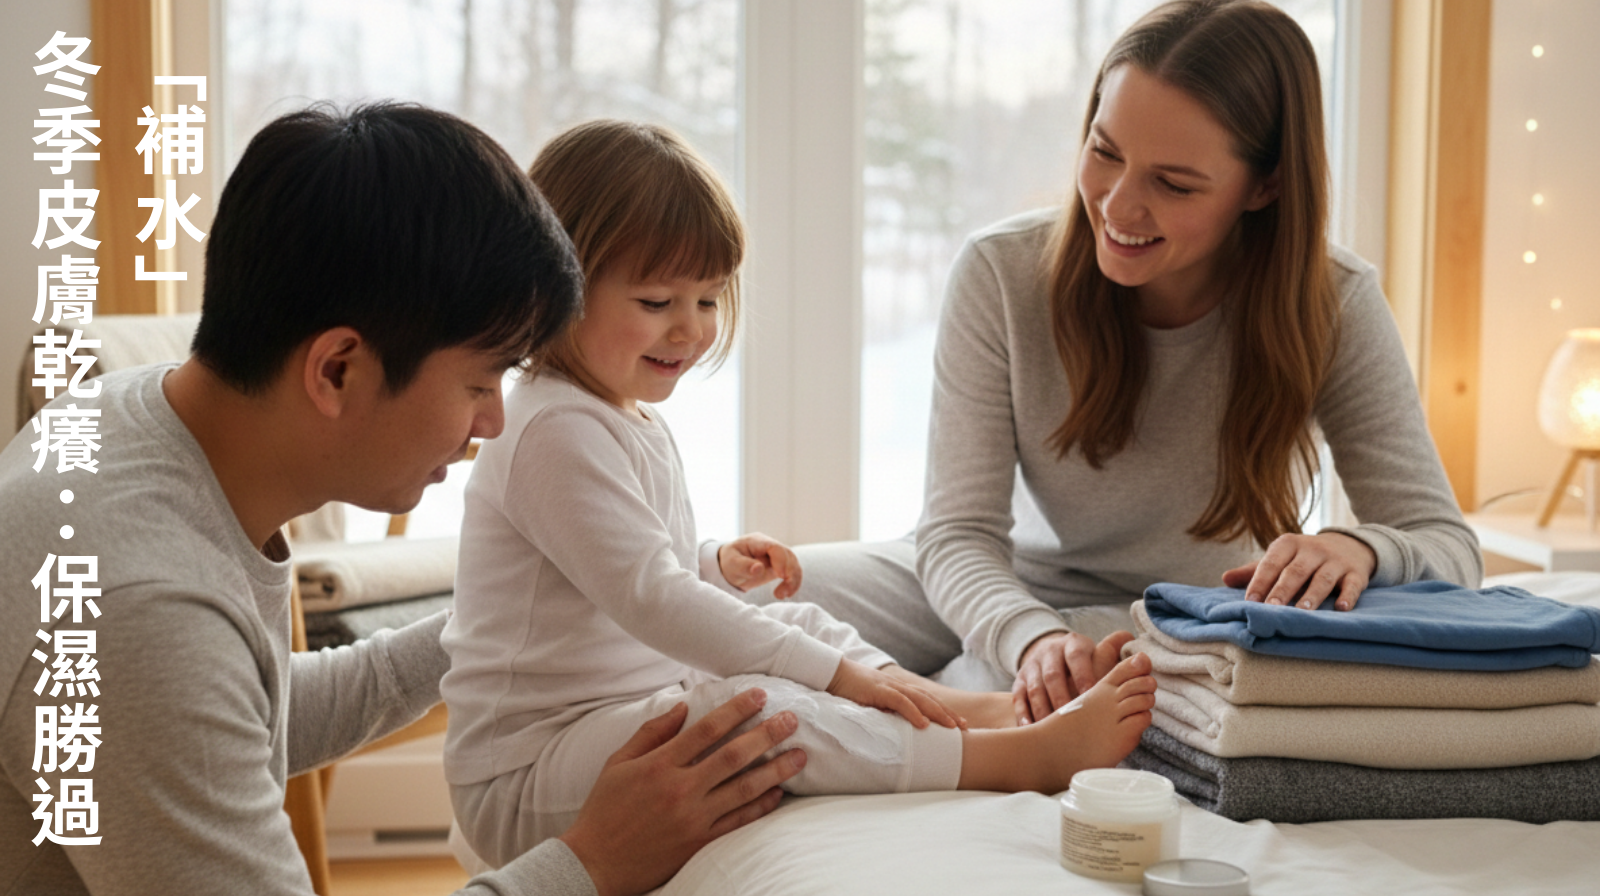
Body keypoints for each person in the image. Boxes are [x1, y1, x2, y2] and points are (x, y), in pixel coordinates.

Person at [0, 103, 811, 896]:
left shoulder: (124, 415)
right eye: (479, 381)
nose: (493, 421)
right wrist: (589, 862)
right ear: (337, 370)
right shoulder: (138, 612)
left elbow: (248, 709)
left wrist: (510, 622)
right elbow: (173, 677)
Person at [739, 0, 1481, 725]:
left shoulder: (1335, 303)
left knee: (1023, 684)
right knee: (737, 609)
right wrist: (1029, 633)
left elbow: (1447, 545)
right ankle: (961, 689)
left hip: (1175, 613)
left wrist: (1360, 546)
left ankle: (948, 701)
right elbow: (957, 536)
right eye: (1105, 152)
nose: (1118, 207)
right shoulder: (1002, 271)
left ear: (1266, 186)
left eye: (1174, 183)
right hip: (997, 581)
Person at [440, 119, 1158, 866]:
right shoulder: (551, 424)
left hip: (605, 720)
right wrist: (833, 676)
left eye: (709, 300)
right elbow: (649, 595)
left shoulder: (615, 413)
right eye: (657, 302)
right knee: (755, 710)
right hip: (523, 778)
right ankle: (1008, 758)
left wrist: (713, 562)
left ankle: (958, 707)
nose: (689, 330)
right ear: (560, 288)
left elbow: (625, 559)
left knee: (799, 616)